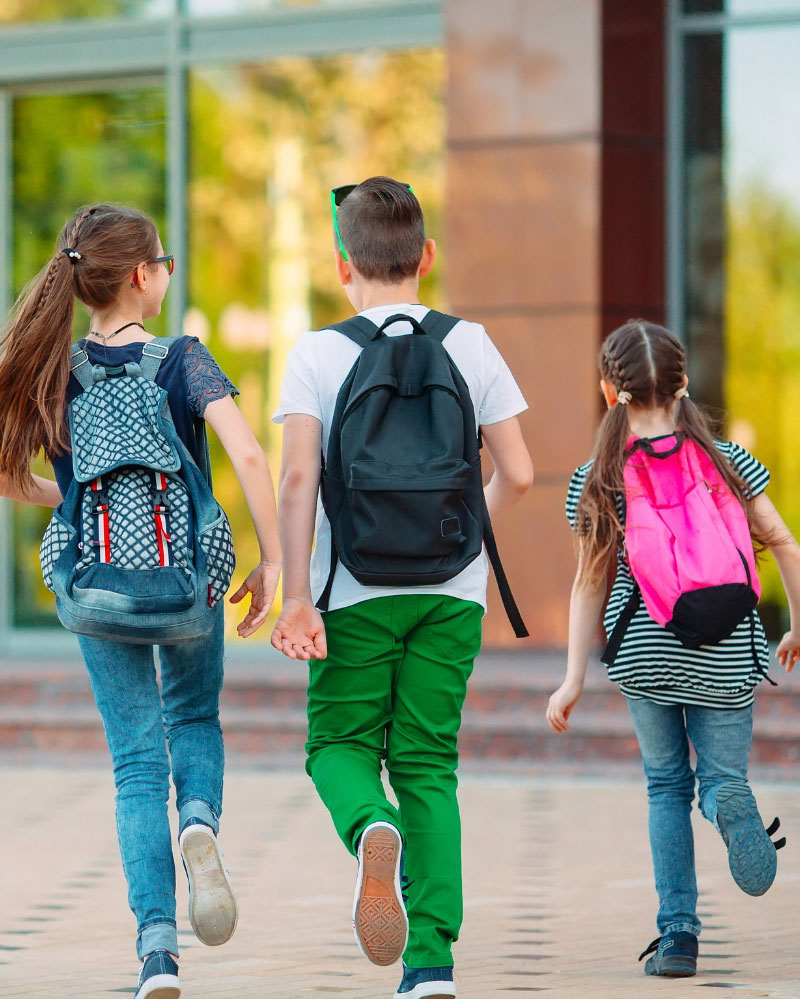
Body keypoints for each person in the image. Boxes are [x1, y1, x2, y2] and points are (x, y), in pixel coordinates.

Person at [0, 204, 282, 999]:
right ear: (138, 275)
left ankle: (157, 954)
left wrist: (74, 500)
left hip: (97, 593)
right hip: (184, 583)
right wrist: (272, 560)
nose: (165, 272)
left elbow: (4, 469)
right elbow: (251, 456)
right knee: (193, 718)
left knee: (133, 766)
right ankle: (198, 819)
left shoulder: (53, 371)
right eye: (162, 261)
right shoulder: (182, 359)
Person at [270, 176, 533, 1000]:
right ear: (427, 257)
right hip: (452, 594)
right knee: (427, 763)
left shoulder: (318, 351)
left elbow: (296, 481)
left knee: (337, 748)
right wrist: (462, 538)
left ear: (341, 263)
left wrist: (297, 596)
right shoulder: (473, 343)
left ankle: (367, 826)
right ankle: (431, 964)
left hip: (351, 587)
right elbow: (520, 474)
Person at [546, 319, 798, 978]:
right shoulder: (729, 462)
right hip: (725, 652)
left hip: (646, 657)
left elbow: (588, 583)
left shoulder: (595, 477)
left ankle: (679, 936)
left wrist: (572, 677)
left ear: (610, 391)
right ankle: (728, 803)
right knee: (718, 780)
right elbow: (786, 543)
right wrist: (796, 627)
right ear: (682, 384)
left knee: (665, 787)